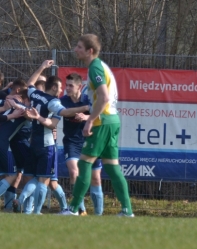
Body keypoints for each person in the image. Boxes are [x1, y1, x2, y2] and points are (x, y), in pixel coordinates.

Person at [60, 34, 134, 217]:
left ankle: (72, 209)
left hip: (103, 122)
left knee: (84, 163)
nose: (75, 49)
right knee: (111, 166)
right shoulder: (99, 66)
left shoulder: (95, 68)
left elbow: (104, 97)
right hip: (113, 120)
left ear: (89, 51)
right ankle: (127, 211)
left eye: (79, 47)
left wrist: (90, 120)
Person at [13, 60, 90, 214]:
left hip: (33, 141)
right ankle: (36, 212)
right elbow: (61, 117)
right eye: (61, 87)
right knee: (43, 180)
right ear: (54, 87)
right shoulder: (54, 102)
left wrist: (42, 66)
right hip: (47, 144)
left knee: (33, 177)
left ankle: (22, 204)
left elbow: (29, 83)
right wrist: (86, 108)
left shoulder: (35, 94)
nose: (62, 91)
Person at [60, 73, 103, 215]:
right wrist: (84, 109)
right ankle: (80, 209)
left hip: (90, 142)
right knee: (74, 172)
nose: (67, 88)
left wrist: (86, 117)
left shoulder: (89, 99)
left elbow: (102, 116)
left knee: (95, 178)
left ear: (80, 86)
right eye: (66, 85)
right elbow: (65, 113)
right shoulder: (64, 100)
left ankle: (99, 215)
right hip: (72, 142)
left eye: (71, 85)